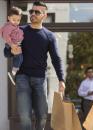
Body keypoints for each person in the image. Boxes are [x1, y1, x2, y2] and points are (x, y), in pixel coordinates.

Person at [4, 1, 65, 130]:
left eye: (37, 12)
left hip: (40, 78)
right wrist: (11, 51)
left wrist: (61, 79)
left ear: (44, 15)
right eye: (31, 11)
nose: (33, 14)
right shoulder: (19, 30)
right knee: (25, 115)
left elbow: (56, 59)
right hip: (22, 77)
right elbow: (6, 52)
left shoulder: (49, 36)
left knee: (42, 115)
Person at [0, 6, 24, 84]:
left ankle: (15, 71)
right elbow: (6, 36)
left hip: (15, 44)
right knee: (19, 57)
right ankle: (13, 71)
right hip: (10, 45)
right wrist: (12, 44)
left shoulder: (15, 26)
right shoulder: (8, 27)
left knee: (20, 58)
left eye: (18, 20)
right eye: (14, 20)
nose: (16, 22)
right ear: (9, 18)